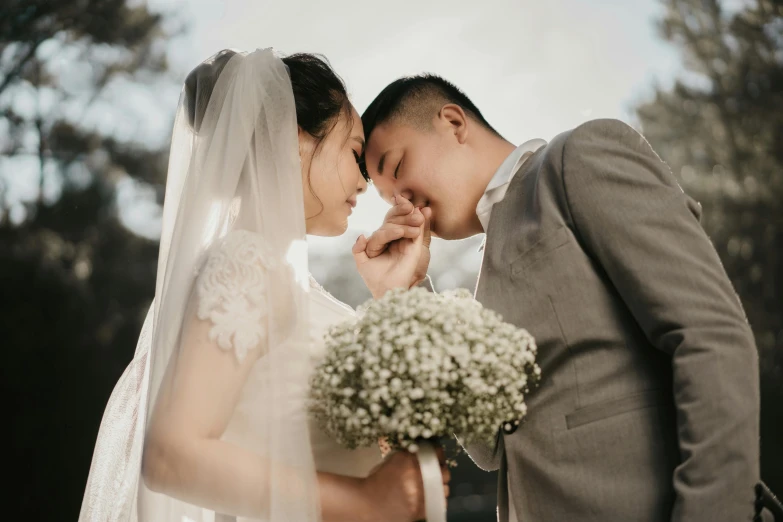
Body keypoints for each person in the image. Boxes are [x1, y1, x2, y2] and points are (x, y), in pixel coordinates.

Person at [357, 74, 761, 522]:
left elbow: (710, 334)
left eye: (396, 169)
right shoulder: (485, 280)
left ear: (453, 123)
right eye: (386, 197)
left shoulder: (577, 159)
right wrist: (403, 292)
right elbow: (490, 444)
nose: (400, 200)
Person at [79, 49, 447, 522]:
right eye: (355, 154)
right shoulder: (246, 264)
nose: (364, 181)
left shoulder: (289, 282)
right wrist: (368, 502)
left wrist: (399, 292)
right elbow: (171, 455)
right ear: (291, 139)